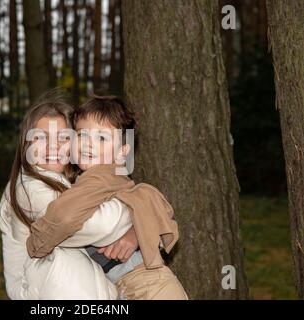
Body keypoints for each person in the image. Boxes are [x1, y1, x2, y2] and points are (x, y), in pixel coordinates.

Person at [26, 96, 188, 300]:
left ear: (122, 152)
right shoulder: (108, 177)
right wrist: (135, 230)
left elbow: (64, 215)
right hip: (135, 285)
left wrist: (37, 243)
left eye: (101, 138)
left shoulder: (99, 177)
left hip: (147, 286)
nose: (88, 145)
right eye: (82, 135)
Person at [0, 97, 138, 299]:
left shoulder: (73, 182)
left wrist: (134, 232)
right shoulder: (29, 189)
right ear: (26, 144)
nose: (52, 146)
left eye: (63, 137)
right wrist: (131, 207)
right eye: (41, 138)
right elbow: (101, 226)